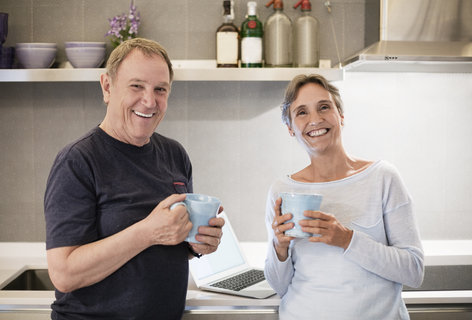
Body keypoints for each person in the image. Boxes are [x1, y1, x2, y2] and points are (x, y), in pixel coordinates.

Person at [44, 38, 225, 320]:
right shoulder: (78, 161)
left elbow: (169, 244)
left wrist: (197, 244)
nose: (149, 101)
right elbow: (64, 274)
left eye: (160, 89)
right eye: (136, 86)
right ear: (107, 87)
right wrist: (147, 232)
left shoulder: (175, 154)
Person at [264, 74, 424, 319]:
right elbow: (279, 286)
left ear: (341, 116)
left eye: (324, 107)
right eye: (302, 112)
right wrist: (280, 247)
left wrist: (347, 240)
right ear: (290, 129)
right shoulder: (282, 191)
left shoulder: (383, 177)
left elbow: (413, 271)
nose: (315, 119)